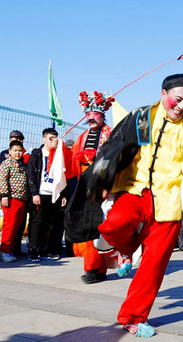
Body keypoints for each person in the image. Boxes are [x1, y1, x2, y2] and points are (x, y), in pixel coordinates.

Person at [77, 72, 183, 337]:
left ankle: (133, 316)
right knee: (113, 226)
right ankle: (127, 250)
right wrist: (102, 179)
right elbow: (113, 147)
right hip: (136, 191)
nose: (182, 106)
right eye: (178, 99)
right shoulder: (141, 117)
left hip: (171, 203)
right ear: (163, 94)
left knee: (154, 263)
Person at [66, 89, 114, 284]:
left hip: (104, 185)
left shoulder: (111, 134)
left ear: (102, 115)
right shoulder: (83, 136)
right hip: (85, 185)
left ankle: (99, 268)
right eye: (88, 115)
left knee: (101, 227)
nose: (91, 118)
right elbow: (72, 159)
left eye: (94, 114)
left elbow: (114, 158)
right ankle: (93, 268)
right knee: (88, 226)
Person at [28, 128, 68, 261]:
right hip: (41, 192)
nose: (53, 141)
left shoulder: (59, 154)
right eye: (50, 138)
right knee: (38, 222)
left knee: (55, 223)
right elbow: (32, 174)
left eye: (56, 138)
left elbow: (64, 175)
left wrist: (63, 194)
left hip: (55, 193)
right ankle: (34, 249)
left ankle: (51, 250)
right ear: (44, 139)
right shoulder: (37, 154)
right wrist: (34, 193)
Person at [0, 140, 30, 262]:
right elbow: (3, 180)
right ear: (9, 151)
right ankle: (4, 251)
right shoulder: (6, 164)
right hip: (11, 199)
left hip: (22, 199)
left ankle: (10, 250)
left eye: (20, 151)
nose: (17, 153)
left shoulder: (23, 165)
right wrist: (4, 196)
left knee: (16, 226)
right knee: (9, 225)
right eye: (15, 151)